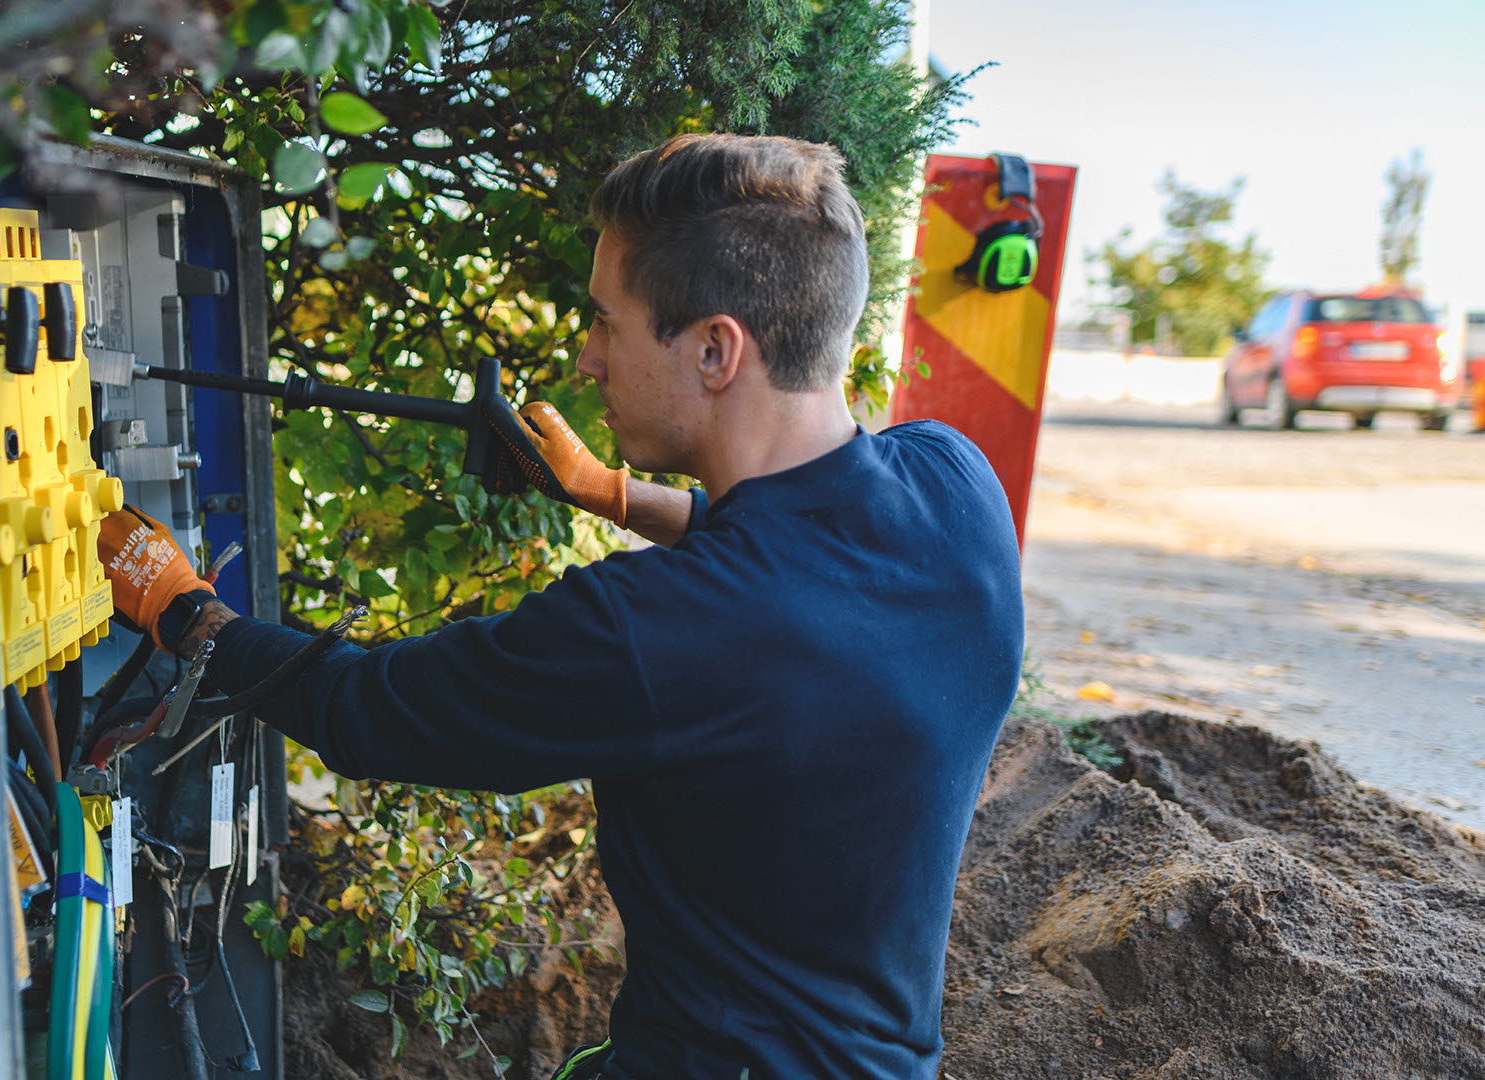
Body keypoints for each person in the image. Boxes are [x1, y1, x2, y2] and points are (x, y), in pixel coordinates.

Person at [98, 133, 1024, 1080]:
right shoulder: (958, 488)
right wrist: (615, 495)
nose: (587, 361)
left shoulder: (661, 631)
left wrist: (184, 613)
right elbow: (807, 541)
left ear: (715, 349)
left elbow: (370, 711)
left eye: (606, 323)